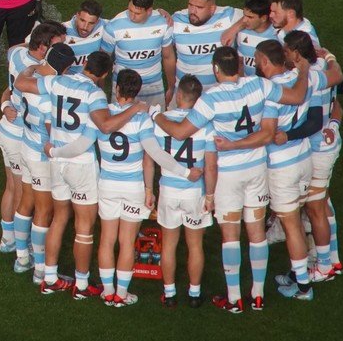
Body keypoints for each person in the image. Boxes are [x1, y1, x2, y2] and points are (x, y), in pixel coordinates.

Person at [154, 45, 306, 312]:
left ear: (215, 70)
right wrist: (304, 70)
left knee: (230, 236)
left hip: (227, 176)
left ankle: (234, 299)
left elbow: (179, 133)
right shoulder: (259, 85)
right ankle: (257, 296)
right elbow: (296, 96)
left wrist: (157, 116)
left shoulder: (211, 100)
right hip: (257, 169)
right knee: (257, 234)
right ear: (239, 66)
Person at [14, 48, 123, 298]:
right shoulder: (95, 94)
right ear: (104, 73)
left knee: (59, 217)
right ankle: (82, 286)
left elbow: (21, 83)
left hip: (55, 161)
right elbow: (104, 127)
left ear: (84, 64)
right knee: (84, 226)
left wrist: (33, 66)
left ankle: (50, 278)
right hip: (80, 163)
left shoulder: (58, 81)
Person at [258, 39, 342, 300]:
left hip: (282, 167)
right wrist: (326, 58)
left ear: (264, 62)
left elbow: (266, 132)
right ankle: (300, 274)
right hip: (304, 159)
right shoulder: (306, 77)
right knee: (301, 216)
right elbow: (336, 80)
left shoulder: (268, 90)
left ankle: (304, 287)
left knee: (292, 224)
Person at [89, 70, 160, 307]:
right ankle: (121, 294)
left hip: (107, 184)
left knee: (107, 239)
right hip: (133, 186)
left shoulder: (103, 114)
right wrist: (149, 190)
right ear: (137, 92)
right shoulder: (142, 118)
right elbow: (148, 159)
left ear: (117, 88)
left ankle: (107, 292)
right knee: (127, 242)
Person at [0, 22, 66, 260]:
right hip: (20, 136)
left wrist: (4, 104)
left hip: (6, 128)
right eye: (57, 46)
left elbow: (16, 49)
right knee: (21, 193)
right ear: (43, 48)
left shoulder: (17, 54)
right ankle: (21, 248)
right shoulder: (38, 76)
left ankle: (8, 239)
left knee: (11, 186)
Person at [152, 76, 216, 308]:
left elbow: (152, 157)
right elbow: (210, 166)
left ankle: (169, 294)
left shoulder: (161, 121)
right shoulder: (206, 126)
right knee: (195, 245)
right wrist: (210, 195)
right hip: (194, 193)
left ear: (179, 95)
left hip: (168, 190)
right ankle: (195, 294)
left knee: (168, 244)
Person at [163, 0, 242, 101]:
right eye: (190, 5)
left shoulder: (228, 16)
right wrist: (160, 11)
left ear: (212, 9)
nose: (192, 11)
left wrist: (234, 29)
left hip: (218, 96)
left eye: (199, 7)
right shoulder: (177, 20)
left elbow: (255, 13)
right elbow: (167, 54)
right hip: (186, 95)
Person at [103, 0, 172, 107]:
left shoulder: (163, 23)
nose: (132, 17)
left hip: (153, 87)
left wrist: (171, 86)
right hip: (124, 89)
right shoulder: (113, 26)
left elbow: (168, 56)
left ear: (149, 11)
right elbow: (103, 59)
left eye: (137, 13)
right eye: (130, 10)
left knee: (155, 123)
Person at [221, 0, 279, 76]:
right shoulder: (241, 32)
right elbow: (240, 62)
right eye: (244, 15)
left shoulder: (277, 35)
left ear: (263, 18)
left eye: (250, 17)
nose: (244, 20)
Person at [61, 0, 108, 74]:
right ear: (77, 15)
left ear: (97, 21)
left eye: (91, 23)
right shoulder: (62, 31)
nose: (85, 27)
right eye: (82, 20)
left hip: (89, 80)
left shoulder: (103, 25)